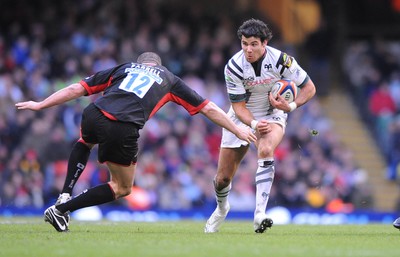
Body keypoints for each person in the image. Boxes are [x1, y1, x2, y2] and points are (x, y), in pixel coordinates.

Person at [15, 52, 257, 232]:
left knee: (85, 141)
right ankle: (61, 210)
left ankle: (65, 194)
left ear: (140, 63)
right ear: (158, 66)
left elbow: (76, 88)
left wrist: (40, 104)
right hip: (123, 125)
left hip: (94, 113)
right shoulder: (169, 79)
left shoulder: (124, 68)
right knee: (122, 187)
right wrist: (236, 128)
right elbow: (208, 108)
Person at [204, 18, 316, 233]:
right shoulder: (234, 66)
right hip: (242, 116)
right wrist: (254, 124)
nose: (248, 49)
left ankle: (259, 214)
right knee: (223, 178)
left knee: (265, 149)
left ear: (265, 43)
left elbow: (309, 88)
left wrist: (290, 106)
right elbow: (237, 107)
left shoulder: (282, 61)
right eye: (244, 43)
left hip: (272, 113)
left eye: (253, 44)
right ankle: (221, 208)